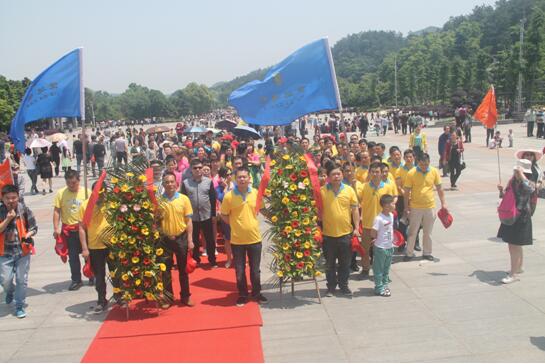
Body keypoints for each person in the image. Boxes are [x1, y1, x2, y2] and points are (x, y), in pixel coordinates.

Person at [220, 166, 267, 306]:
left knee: (255, 270)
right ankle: (242, 294)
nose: (241, 179)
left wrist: (277, 218)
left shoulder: (255, 193)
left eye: (244, 177)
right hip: (237, 240)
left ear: (249, 178)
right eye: (239, 177)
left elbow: (263, 210)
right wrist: (234, 225)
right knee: (240, 270)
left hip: (254, 238)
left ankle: (257, 293)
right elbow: (223, 214)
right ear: (235, 178)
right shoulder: (229, 196)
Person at [320, 161, 360, 296]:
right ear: (328, 176)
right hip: (328, 235)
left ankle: (344, 285)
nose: (336, 176)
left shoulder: (349, 190)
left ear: (342, 175)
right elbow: (317, 211)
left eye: (338, 174)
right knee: (329, 264)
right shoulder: (322, 191)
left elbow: (355, 210)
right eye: (333, 174)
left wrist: (357, 228)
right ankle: (331, 287)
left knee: (345, 263)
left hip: (346, 234)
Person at [0, 184, 38, 318]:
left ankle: (19, 306)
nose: (11, 201)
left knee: (22, 280)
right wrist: (8, 218)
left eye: (14, 198)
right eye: (7, 198)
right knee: (6, 280)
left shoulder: (24, 210)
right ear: (2, 198)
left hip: (22, 251)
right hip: (4, 253)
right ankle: (9, 291)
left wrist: (30, 234)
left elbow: (34, 226)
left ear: (18, 197)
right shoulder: (1, 211)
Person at [497, 159, 535, 284]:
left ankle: (513, 274)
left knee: (514, 245)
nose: (515, 173)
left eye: (517, 171)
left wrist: (522, 176)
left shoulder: (528, 181)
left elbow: (531, 190)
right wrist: (501, 191)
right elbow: (507, 197)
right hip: (511, 215)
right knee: (514, 245)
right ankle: (518, 268)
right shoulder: (513, 181)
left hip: (521, 217)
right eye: (515, 171)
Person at [403, 153, 447, 261]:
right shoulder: (411, 173)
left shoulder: (434, 171)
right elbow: (407, 191)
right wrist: (406, 207)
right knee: (413, 231)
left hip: (429, 206)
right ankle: (409, 253)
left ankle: (427, 252)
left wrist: (443, 203)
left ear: (429, 162)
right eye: (422, 164)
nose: (424, 167)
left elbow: (440, 188)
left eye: (426, 164)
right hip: (415, 207)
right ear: (418, 162)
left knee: (428, 232)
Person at [160, 172, 194, 308]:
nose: (169, 184)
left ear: (176, 183)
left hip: (181, 238)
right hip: (165, 240)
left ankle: (185, 296)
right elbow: (156, 222)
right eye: (167, 182)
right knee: (165, 271)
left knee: (183, 270)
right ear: (163, 184)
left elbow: (189, 220)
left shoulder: (184, 199)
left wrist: (190, 240)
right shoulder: (159, 201)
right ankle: (168, 298)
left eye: (172, 181)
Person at [53, 170, 91, 290]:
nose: (71, 185)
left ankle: (92, 275)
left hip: (84, 229)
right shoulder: (61, 193)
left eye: (73, 183)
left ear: (78, 180)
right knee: (73, 257)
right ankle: (76, 279)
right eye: (69, 183)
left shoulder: (86, 192)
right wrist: (56, 227)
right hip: (69, 230)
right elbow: (57, 211)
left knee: (89, 254)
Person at [78, 182, 112, 312]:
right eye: (98, 193)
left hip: (111, 244)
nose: (101, 196)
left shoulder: (111, 203)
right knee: (99, 276)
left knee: (116, 273)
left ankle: (120, 296)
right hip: (95, 246)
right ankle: (101, 299)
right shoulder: (85, 205)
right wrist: (84, 248)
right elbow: (81, 227)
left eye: (103, 193)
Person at [358, 162, 397, 277]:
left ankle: (380, 271)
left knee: (381, 250)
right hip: (367, 223)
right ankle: (365, 269)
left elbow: (391, 203)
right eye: (373, 172)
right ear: (369, 173)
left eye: (377, 172)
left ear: (381, 174)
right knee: (365, 249)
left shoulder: (387, 187)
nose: (375, 174)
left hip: (383, 224)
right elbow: (357, 200)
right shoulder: (364, 187)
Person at [181, 158, 217, 267]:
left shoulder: (208, 182)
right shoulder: (186, 183)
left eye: (200, 168)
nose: (198, 170)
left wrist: (213, 215)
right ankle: (196, 259)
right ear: (191, 170)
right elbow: (183, 200)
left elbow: (212, 199)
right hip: (192, 218)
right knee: (194, 240)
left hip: (206, 215)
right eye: (195, 168)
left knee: (210, 240)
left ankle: (212, 259)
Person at [371, 194, 395, 297]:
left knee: (386, 268)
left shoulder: (391, 215)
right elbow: (373, 232)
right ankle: (378, 288)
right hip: (381, 248)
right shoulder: (379, 218)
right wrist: (376, 239)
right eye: (393, 203)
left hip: (390, 247)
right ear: (386, 206)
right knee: (378, 269)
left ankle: (385, 285)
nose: (394, 205)